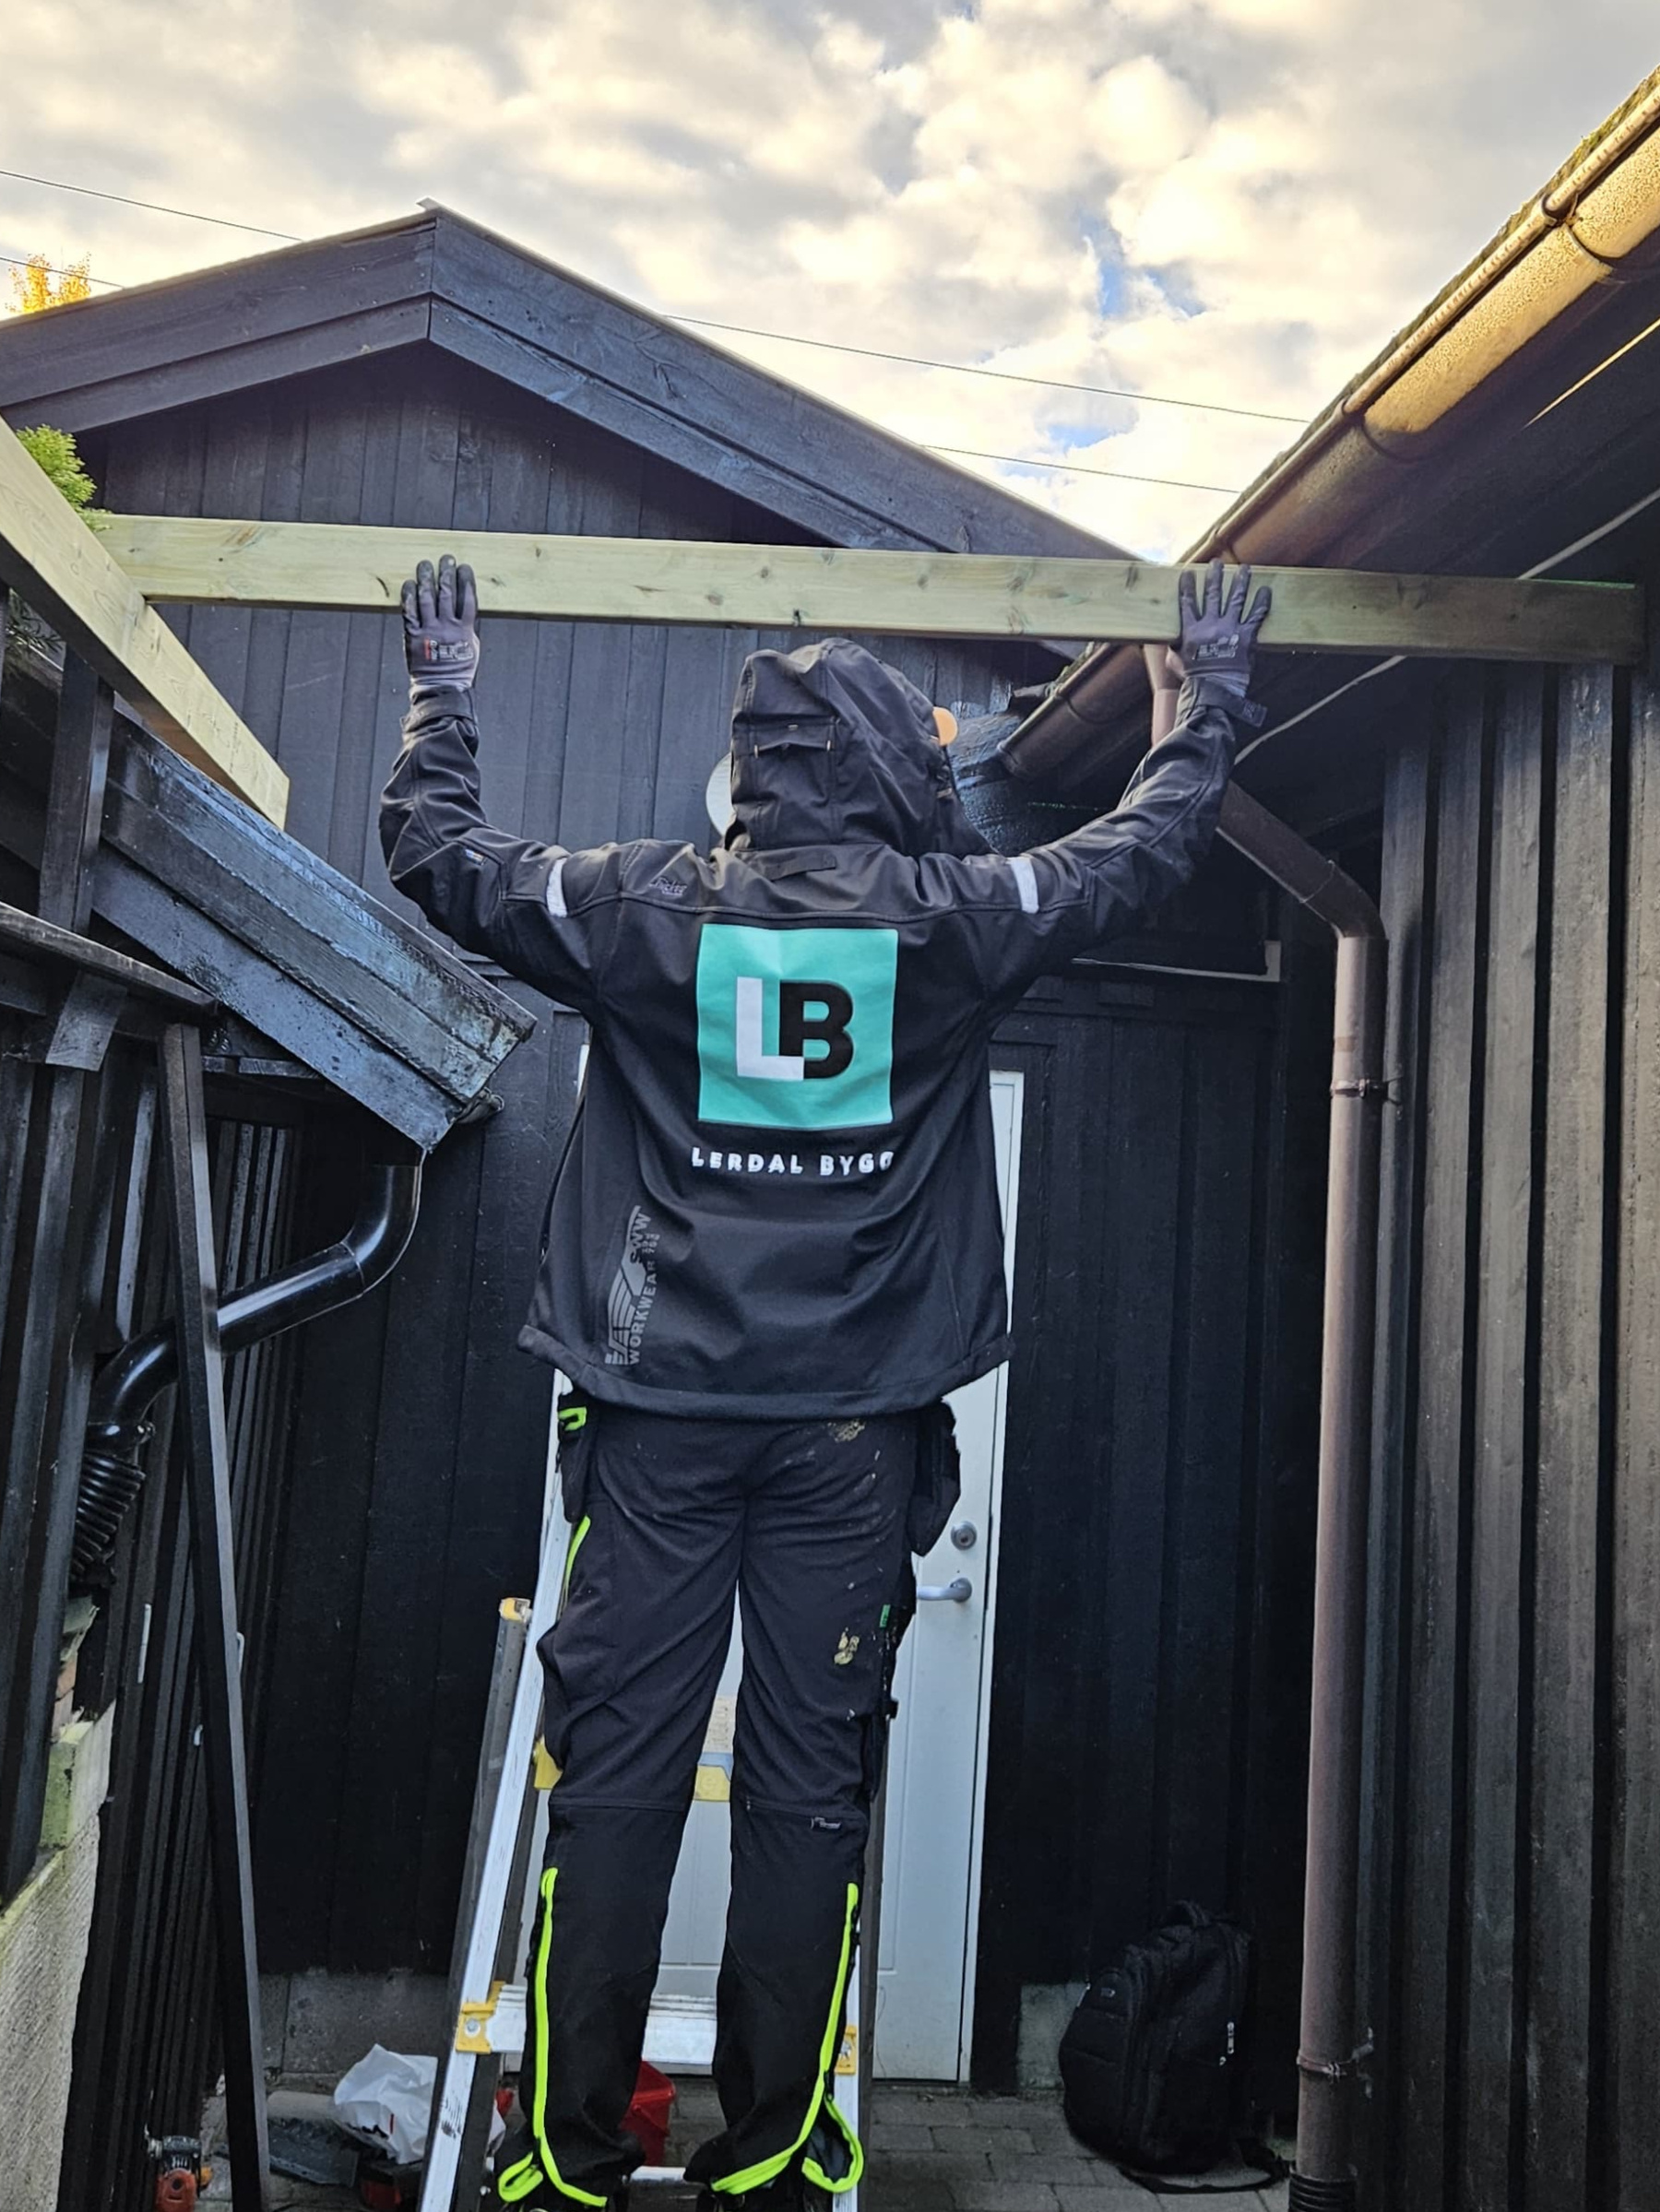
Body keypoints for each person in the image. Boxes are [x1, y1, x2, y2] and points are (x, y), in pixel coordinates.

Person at [380, 555, 1271, 2211]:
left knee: (615, 1787)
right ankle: (778, 2165)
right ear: (885, 768)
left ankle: (564, 2164)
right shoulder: (959, 918)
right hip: (852, 1440)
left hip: (656, 1428)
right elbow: (1140, 856)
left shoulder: (637, 907)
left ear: (752, 771)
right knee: (809, 1797)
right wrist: (1199, 703)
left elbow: (439, 853)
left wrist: (445, 692)